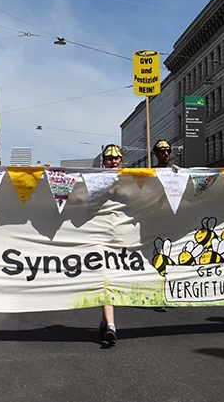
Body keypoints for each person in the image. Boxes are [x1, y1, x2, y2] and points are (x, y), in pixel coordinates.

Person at [98, 144, 123, 346]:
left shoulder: (134, 177)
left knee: (114, 280)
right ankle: (111, 327)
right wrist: (51, 173)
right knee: (107, 280)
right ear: (103, 161)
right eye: (109, 158)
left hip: (125, 238)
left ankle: (105, 321)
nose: (113, 161)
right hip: (101, 236)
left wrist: (174, 174)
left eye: (117, 158)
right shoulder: (94, 179)